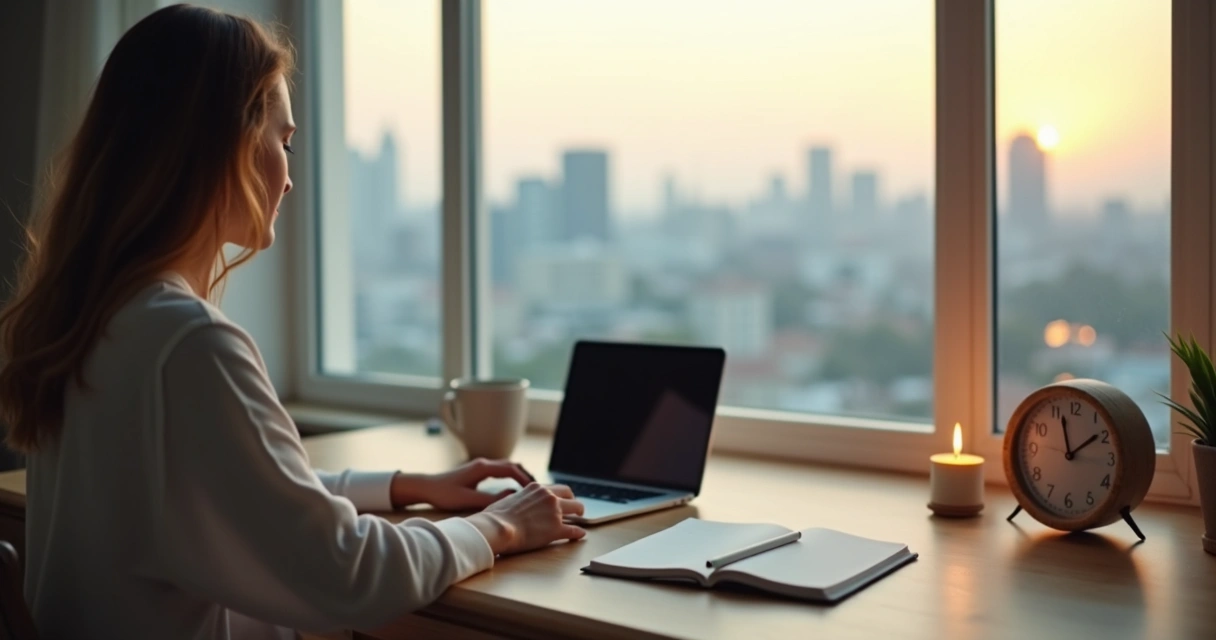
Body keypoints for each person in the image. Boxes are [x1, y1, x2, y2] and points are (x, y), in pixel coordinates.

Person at [0, 5, 585, 638]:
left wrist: (405, 485)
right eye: (284, 142)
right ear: (224, 146)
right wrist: (499, 526)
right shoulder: (186, 344)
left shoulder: (94, 321)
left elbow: (237, 489)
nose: (288, 177)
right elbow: (347, 575)